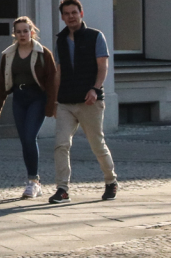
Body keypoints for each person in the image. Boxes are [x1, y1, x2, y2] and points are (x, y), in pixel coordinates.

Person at [50, 0, 118, 203]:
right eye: (67, 13)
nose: (71, 16)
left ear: (81, 13)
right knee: (61, 144)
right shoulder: (60, 40)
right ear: (62, 17)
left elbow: (103, 66)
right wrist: (54, 100)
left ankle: (110, 181)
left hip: (90, 101)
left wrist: (95, 89)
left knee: (97, 143)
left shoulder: (95, 36)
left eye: (74, 12)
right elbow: (58, 72)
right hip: (65, 102)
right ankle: (62, 189)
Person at [0, 17, 58, 199]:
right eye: (18, 32)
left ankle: (33, 181)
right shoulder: (8, 55)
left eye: (25, 31)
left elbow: (52, 82)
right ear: (15, 34)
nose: (22, 35)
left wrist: (51, 106)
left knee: (30, 137)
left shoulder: (43, 53)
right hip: (19, 99)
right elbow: (1, 81)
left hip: (37, 98)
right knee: (24, 140)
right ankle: (32, 180)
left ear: (32, 32)